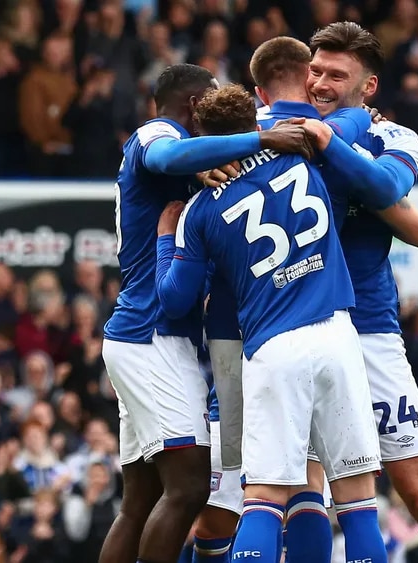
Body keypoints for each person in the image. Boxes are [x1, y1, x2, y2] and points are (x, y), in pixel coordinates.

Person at [154, 85, 387, 563]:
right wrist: (358, 112)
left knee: (263, 499)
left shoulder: (199, 209)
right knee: (357, 502)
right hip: (338, 335)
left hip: (273, 347)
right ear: (253, 123)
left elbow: (175, 299)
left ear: (206, 140)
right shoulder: (302, 151)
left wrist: (164, 239)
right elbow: (353, 121)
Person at [99, 63, 314, 563]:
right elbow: (167, 154)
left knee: (140, 502)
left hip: (144, 336)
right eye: (211, 102)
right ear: (194, 104)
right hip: (153, 336)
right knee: (190, 487)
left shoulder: (193, 167)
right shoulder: (156, 133)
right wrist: (262, 137)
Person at [298, 21, 418, 563]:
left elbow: (392, 190)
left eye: (337, 75)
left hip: (370, 329)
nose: (320, 83)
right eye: (315, 71)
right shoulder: (283, 135)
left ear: (368, 86)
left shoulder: (395, 138)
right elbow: (415, 226)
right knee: (305, 491)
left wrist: (332, 144)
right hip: (297, 325)